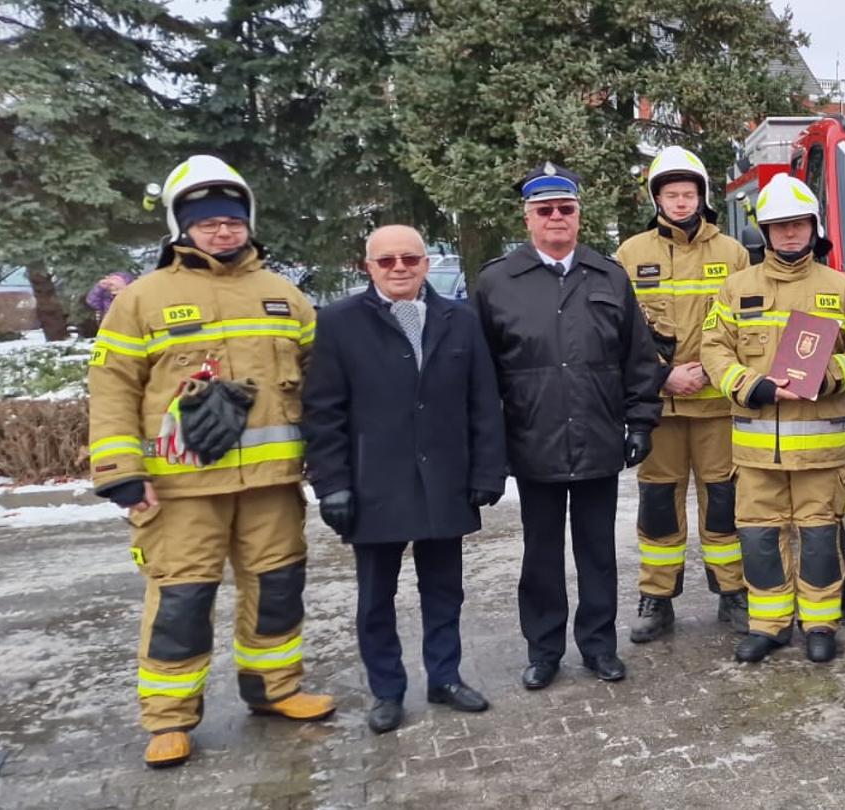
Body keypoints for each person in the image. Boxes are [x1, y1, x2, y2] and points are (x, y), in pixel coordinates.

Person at [87, 155, 333, 768]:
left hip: (273, 485)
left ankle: (276, 689)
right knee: (182, 599)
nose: (223, 232)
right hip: (180, 489)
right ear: (182, 227)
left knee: (277, 588)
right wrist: (121, 472)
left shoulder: (284, 296)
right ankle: (169, 718)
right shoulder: (143, 300)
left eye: (232, 221)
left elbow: (322, 385)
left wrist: (329, 460)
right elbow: (112, 387)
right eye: (208, 223)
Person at [300, 225, 506, 734]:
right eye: (386, 260)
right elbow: (323, 412)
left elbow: (484, 402)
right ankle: (386, 691)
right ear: (368, 267)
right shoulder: (341, 324)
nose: (399, 268)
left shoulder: (460, 319)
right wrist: (333, 485)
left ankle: (445, 677)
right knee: (376, 597)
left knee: (444, 589)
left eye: (410, 259)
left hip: (445, 480)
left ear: (426, 264)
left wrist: (487, 471)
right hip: (374, 483)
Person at [474, 162, 664, 690]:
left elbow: (638, 359)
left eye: (566, 208)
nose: (556, 217)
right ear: (528, 217)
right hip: (532, 442)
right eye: (545, 210)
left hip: (599, 437)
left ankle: (599, 646)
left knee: (598, 551)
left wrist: (641, 421)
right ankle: (543, 650)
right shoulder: (496, 282)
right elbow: (481, 373)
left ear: (579, 215)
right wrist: (491, 447)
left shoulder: (607, 275)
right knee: (540, 555)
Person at [698, 174, 845, 664]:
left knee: (817, 538)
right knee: (759, 536)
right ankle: (768, 625)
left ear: (814, 227)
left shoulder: (842, 288)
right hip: (755, 449)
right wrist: (752, 386)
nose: (789, 234)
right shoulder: (735, 288)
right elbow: (713, 349)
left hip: (819, 449)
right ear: (763, 232)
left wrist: (830, 375)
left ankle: (820, 625)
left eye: (798, 224)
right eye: (778, 226)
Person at [615, 146, 752, 643]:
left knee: (724, 500)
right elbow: (621, 333)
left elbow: (745, 329)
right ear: (657, 198)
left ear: (702, 196)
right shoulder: (631, 254)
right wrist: (664, 376)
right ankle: (657, 598)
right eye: (670, 194)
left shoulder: (733, 252)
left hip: (717, 404)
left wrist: (713, 375)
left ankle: (733, 593)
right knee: (657, 502)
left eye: (687, 193)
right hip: (661, 406)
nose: (679, 202)